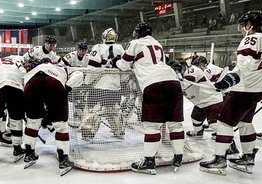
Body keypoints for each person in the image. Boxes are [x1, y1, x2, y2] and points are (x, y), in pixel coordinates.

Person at [199, 10, 262, 175]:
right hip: (257, 89)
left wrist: (230, 79)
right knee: (245, 123)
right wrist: (229, 79)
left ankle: (219, 159)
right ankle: (247, 157)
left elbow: (245, 66)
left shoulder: (251, 38)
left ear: (249, 25)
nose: (241, 29)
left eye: (242, 26)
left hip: (245, 89)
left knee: (224, 123)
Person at [112, 22, 185, 174]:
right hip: (173, 81)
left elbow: (124, 65)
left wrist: (116, 61)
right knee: (175, 124)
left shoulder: (135, 43)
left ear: (137, 33)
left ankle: (149, 161)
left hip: (153, 83)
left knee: (152, 126)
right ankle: (178, 157)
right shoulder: (157, 44)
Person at [23, 58, 83, 176]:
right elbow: (79, 75)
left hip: (31, 83)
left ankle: (29, 153)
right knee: (61, 126)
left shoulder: (34, 69)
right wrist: (67, 87)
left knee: (32, 123)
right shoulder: (61, 68)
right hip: (54, 83)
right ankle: (63, 159)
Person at [82, 28, 126, 139]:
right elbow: (126, 68)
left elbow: (92, 68)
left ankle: (88, 132)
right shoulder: (120, 48)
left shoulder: (98, 47)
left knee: (93, 109)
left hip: (99, 85)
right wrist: (120, 82)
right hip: (115, 86)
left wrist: (87, 82)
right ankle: (118, 130)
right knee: (114, 109)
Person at [181, 56, 224, 139]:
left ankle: (227, 138)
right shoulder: (195, 70)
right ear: (200, 64)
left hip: (212, 101)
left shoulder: (193, 70)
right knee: (195, 118)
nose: (205, 67)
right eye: (204, 65)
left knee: (213, 123)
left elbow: (188, 81)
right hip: (201, 102)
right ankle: (198, 132)